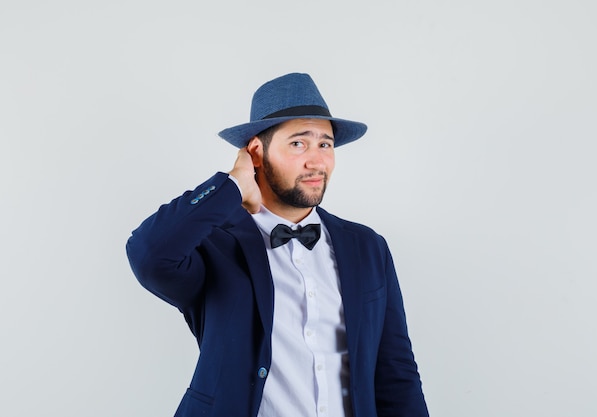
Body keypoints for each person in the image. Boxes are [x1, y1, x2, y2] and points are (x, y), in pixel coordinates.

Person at [126, 72, 429, 417]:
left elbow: (396, 373)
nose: (316, 161)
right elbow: (150, 254)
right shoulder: (212, 246)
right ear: (256, 152)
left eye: (325, 144)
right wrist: (232, 186)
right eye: (298, 143)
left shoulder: (367, 247)